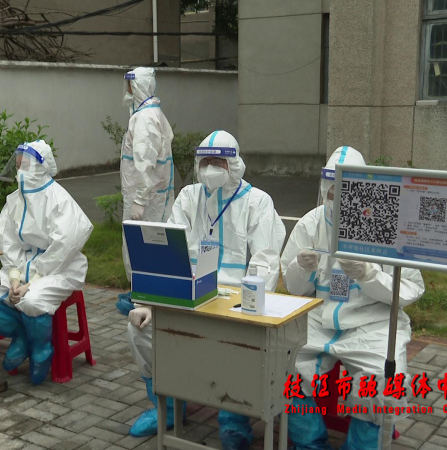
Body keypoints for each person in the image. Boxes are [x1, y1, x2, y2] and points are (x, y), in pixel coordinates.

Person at [125, 130, 286, 447]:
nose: (211, 168)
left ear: (233, 164)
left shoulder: (256, 202)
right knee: (140, 330)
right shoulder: (189, 197)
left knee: (239, 345)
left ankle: (235, 415)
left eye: (219, 162)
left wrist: (246, 305)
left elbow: (265, 262)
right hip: (191, 294)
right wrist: (153, 302)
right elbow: (170, 253)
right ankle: (167, 404)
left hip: (236, 300)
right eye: (206, 161)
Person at [280, 146, 425, 450]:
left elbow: (410, 288)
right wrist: (300, 268)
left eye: (348, 190)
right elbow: (294, 289)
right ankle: (310, 443)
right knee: (282, 367)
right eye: (333, 192)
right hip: (319, 318)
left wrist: (370, 276)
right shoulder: (311, 223)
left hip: (373, 323)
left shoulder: (388, 222)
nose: (340, 199)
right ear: (325, 190)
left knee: (383, 381)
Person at [0, 140, 93, 385]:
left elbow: (62, 249)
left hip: (60, 270)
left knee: (32, 300)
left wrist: (30, 283)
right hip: (22, 266)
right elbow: (8, 241)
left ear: (39, 167)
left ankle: (42, 349)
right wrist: (14, 277)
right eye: (17, 166)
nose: (19, 171)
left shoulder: (59, 200)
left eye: (24, 166)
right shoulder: (15, 201)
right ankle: (24, 336)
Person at [118, 66, 175, 314]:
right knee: (151, 246)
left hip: (145, 199)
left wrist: (140, 200)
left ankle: (144, 297)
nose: (127, 90)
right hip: (153, 195)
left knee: (143, 247)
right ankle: (145, 294)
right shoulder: (151, 113)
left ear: (137, 86)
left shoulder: (144, 119)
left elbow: (145, 162)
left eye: (130, 85)